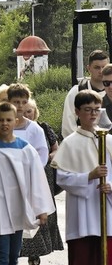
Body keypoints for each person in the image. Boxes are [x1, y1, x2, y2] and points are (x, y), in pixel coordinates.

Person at [0, 102, 55, 265]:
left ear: (16, 122)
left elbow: (36, 180)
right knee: (0, 256)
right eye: (1, 120)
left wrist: (41, 209)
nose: (5, 124)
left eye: (8, 120)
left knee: (13, 255)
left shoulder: (26, 149)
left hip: (18, 209)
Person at [52, 90, 112, 264]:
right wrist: (89, 176)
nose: (93, 114)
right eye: (87, 109)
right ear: (77, 112)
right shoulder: (70, 143)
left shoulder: (108, 141)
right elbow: (62, 178)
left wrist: (110, 186)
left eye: (96, 109)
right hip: (82, 213)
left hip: (107, 210)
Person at [19, 99, 64, 265]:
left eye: (29, 111)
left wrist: (52, 155)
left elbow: (56, 147)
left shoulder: (43, 127)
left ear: (35, 112)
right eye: (24, 111)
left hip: (43, 176)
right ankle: (23, 251)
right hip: (23, 177)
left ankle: (35, 254)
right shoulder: (14, 129)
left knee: (42, 213)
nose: (26, 114)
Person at [61, 49, 109, 138]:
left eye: (104, 67)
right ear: (89, 68)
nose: (101, 71)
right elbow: (68, 126)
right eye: (97, 67)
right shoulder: (77, 92)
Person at [6, 84, 49, 166]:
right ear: (9, 102)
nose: (20, 106)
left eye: (24, 102)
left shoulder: (35, 129)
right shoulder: (0, 126)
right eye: (16, 102)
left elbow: (42, 155)